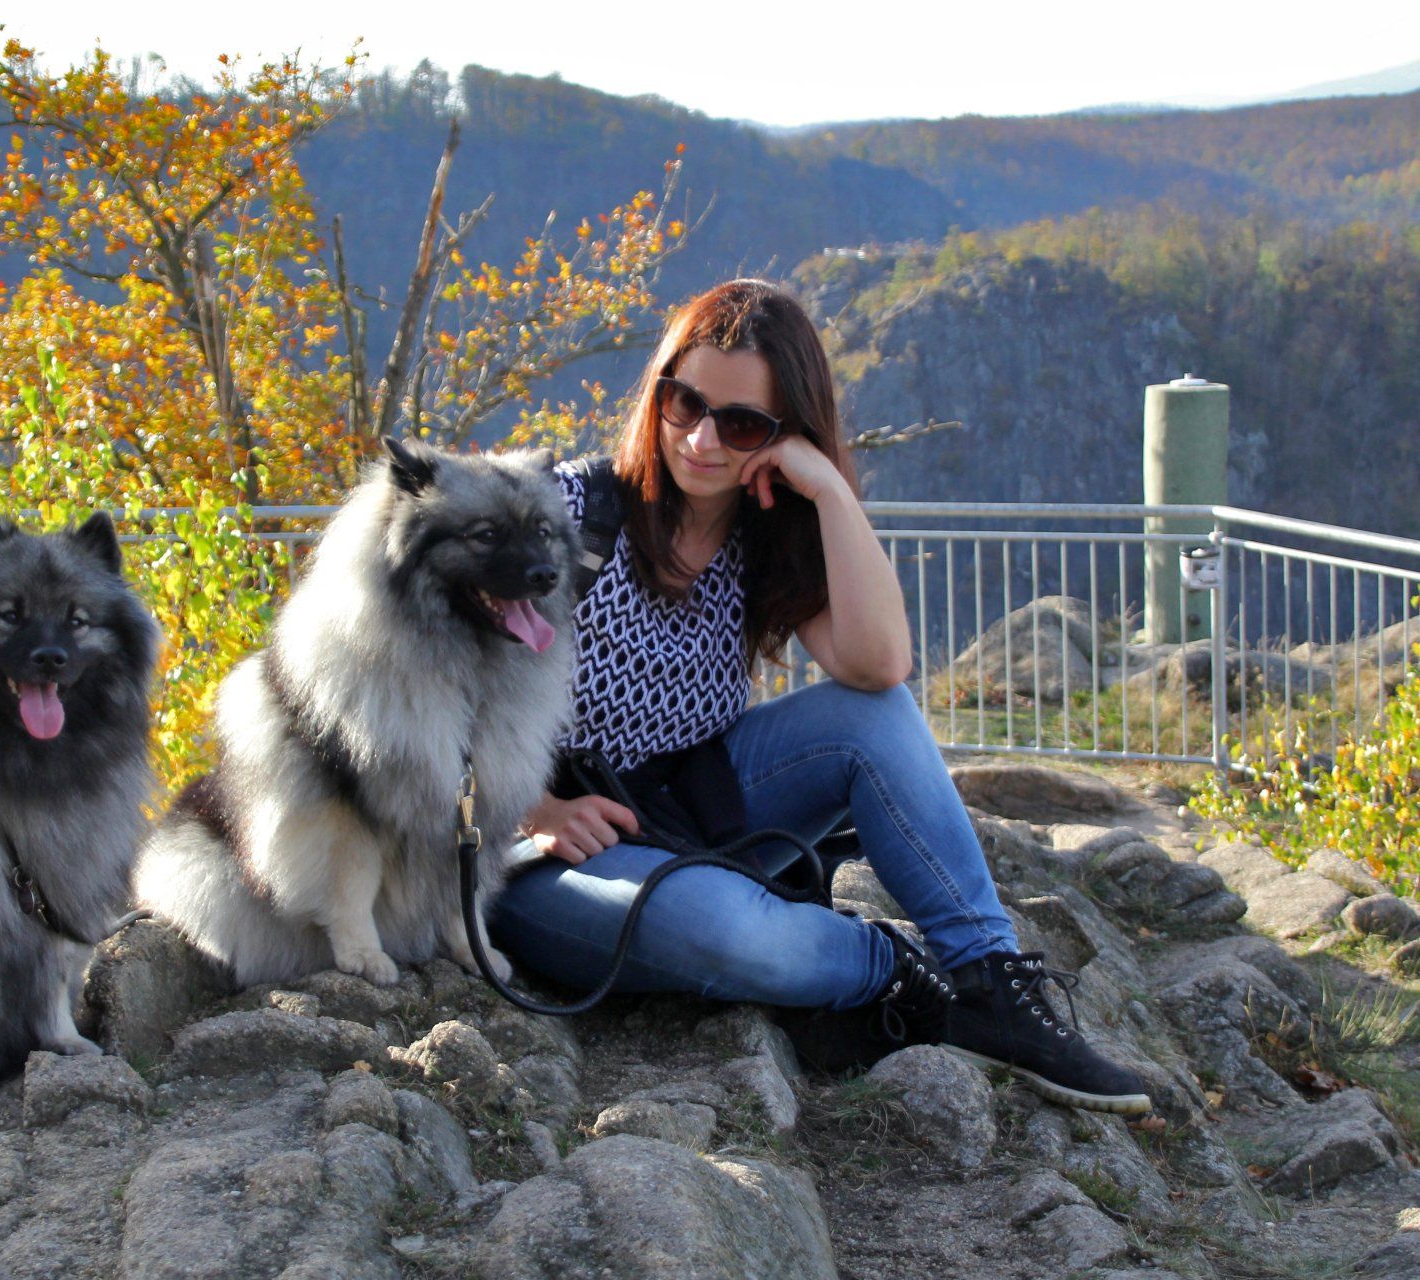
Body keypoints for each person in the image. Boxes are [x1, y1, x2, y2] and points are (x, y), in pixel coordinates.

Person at [488, 278, 1151, 1114]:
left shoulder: (763, 536)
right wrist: (535, 806)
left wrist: (830, 491)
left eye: (741, 424)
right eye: (684, 403)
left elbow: (878, 669)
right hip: (543, 846)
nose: (700, 439)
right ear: (657, 391)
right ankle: (895, 974)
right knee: (727, 931)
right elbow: (429, 698)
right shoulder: (568, 515)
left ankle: (990, 980)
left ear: (784, 433)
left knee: (867, 716)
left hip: (690, 802)